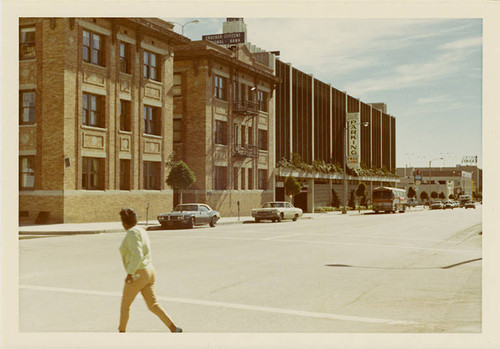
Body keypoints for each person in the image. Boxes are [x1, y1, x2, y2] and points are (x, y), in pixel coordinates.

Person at [118, 207, 182, 333]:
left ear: (124, 222)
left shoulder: (131, 232)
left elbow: (137, 254)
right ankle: (173, 328)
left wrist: (130, 273)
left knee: (125, 306)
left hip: (138, 273)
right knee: (153, 305)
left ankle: (121, 333)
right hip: (149, 271)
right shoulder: (141, 230)